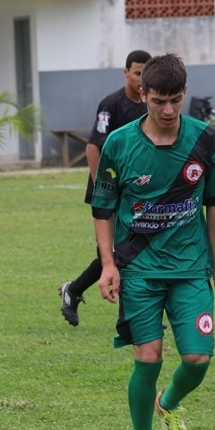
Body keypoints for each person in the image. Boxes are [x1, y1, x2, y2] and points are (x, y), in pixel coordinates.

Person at [90, 53, 215, 430]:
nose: (168, 110)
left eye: (175, 100)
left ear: (184, 93)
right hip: (139, 269)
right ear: (143, 95)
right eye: (158, 101)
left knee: (198, 358)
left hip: (190, 268)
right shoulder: (119, 144)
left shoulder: (206, 140)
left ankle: (168, 404)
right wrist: (108, 264)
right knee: (148, 358)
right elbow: (102, 209)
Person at [59, 49, 152, 327]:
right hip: (110, 190)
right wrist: (104, 187)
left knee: (129, 248)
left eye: (146, 74)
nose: (141, 79)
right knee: (116, 251)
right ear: (126, 73)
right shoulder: (111, 105)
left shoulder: (151, 105)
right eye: (137, 73)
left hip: (135, 190)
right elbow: (93, 148)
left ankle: (74, 290)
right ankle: (133, 316)